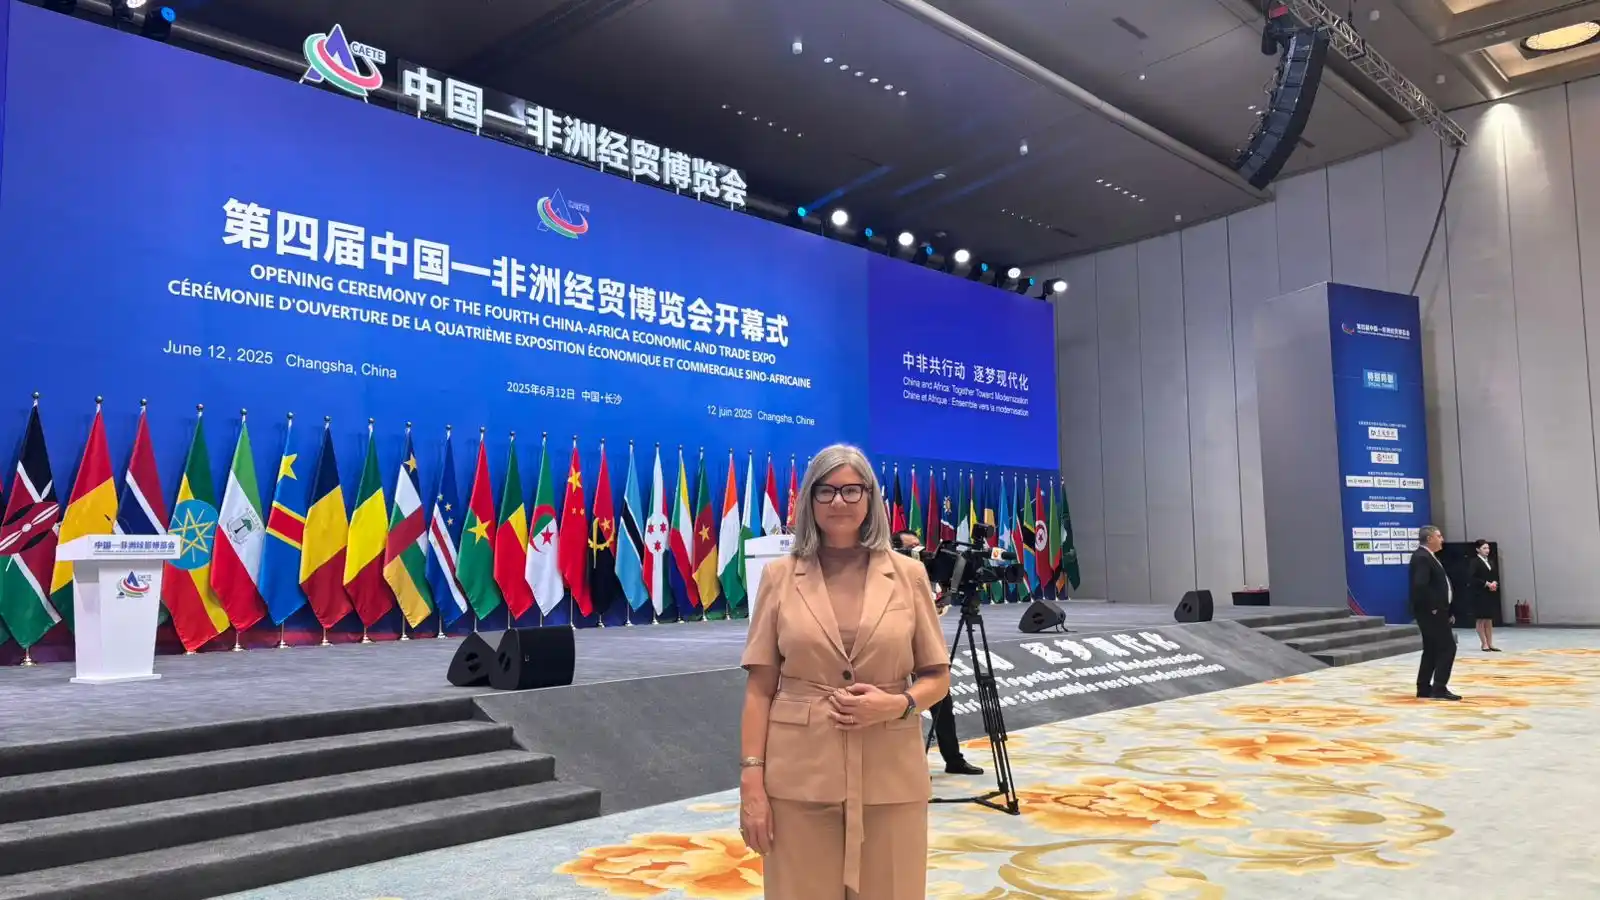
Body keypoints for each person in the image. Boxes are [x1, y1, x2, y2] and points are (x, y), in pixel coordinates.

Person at [739, 445, 951, 900]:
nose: (839, 501)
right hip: (799, 777)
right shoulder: (779, 576)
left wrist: (898, 704)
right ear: (809, 499)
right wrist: (751, 780)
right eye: (827, 491)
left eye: (852, 490)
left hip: (890, 774)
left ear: (870, 497)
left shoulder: (909, 575)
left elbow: (938, 676)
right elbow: (759, 688)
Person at [892, 528, 983, 777]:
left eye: (919, 546)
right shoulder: (888, 577)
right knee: (906, 712)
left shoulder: (928, 576)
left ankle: (953, 759)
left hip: (927, 652)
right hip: (899, 654)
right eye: (911, 548)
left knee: (943, 706)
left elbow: (936, 611)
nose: (918, 552)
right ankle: (910, 766)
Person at [1409, 525, 1461, 701]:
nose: (1442, 539)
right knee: (1448, 647)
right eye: (1439, 536)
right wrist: (1434, 607)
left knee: (1431, 649)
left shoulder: (1428, 556)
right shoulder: (1422, 557)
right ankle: (1439, 687)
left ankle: (1424, 687)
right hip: (1431, 612)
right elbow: (1420, 585)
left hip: (1436, 610)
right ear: (1429, 539)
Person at [1467, 539, 1501, 652]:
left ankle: (1490, 643)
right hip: (1479, 593)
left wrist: (1494, 583)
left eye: (1488, 548)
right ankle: (1484, 643)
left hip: (1489, 593)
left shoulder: (1490, 561)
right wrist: (1486, 583)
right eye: (1484, 548)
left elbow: (1494, 575)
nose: (1487, 550)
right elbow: (1472, 577)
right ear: (1478, 549)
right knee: (1481, 618)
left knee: (1488, 619)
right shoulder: (1474, 562)